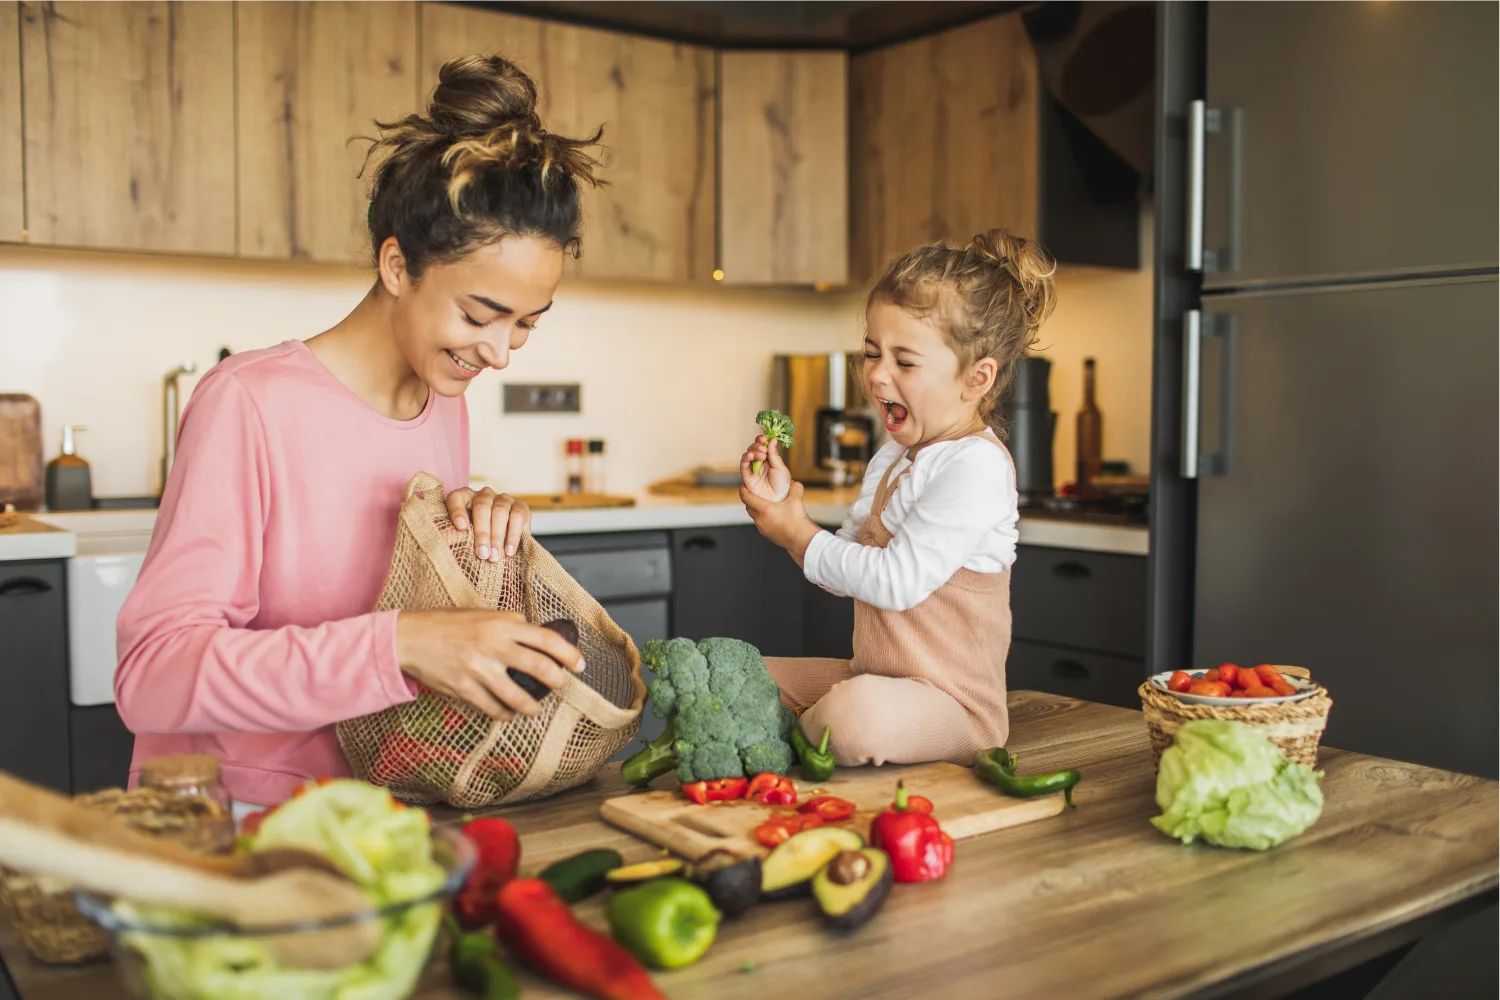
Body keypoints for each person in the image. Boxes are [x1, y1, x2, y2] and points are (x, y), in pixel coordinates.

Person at [115, 55, 604, 807]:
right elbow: (151, 676)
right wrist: (404, 643)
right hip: (240, 820)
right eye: (479, 315)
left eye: (526, 324)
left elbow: (398, 608)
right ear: (398, 265)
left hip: (382, 803)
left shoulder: (444, 400)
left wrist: (475, 550)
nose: (502, 352)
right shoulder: (248, 402)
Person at [739, 230, 1057, 766]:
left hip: (953, 707)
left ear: (976, 378)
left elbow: (897, 582)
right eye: (870, 352)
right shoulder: (893, 455)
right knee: (741, 674)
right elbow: (845, 570)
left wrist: (799, 534)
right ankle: (798, 738)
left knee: (855, 716)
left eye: (904, 362)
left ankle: (784, 750)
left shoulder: (974, 465)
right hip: (877, 678)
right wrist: (789, 517)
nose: (876, 374)